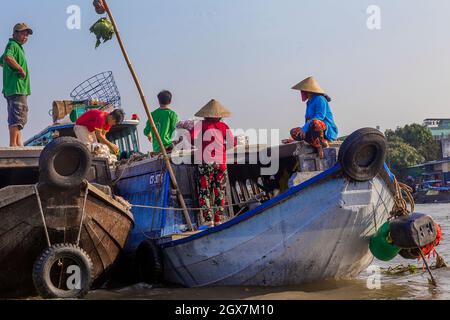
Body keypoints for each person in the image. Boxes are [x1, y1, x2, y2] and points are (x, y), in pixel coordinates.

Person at [190, 99, 237, 229]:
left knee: (204, 191)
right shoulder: (223, 126)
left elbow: (192, 139)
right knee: (219, 191)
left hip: (205, 162)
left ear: (205, 114)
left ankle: (208, 220)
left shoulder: (200, 125)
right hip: (221, 163)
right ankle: (218, 219)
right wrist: (221, 149)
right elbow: (233, 143)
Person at [289, 76, 338, 159]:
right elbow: (308, 119)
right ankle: (316, 142)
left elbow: (320, 116)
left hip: (325, 128)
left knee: (315, 122)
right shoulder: (309, 102)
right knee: (294, 132)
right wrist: (303, 130)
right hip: (312, 129)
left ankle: (321, 145)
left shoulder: (320, 99)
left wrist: (305, 128)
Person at [0, 23, 33, 147]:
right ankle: (14, 144)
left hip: (14, 88)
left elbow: (2, 60)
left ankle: (18, 144)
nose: (25, 37)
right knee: (17, 116)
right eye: (23, 34)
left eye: (27, 35)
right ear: (15, 33)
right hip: (17, 88)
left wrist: (9, 69)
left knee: (17, 117)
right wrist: (19, 69)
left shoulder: (17, 47)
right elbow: (8, 57)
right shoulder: (12, 45)